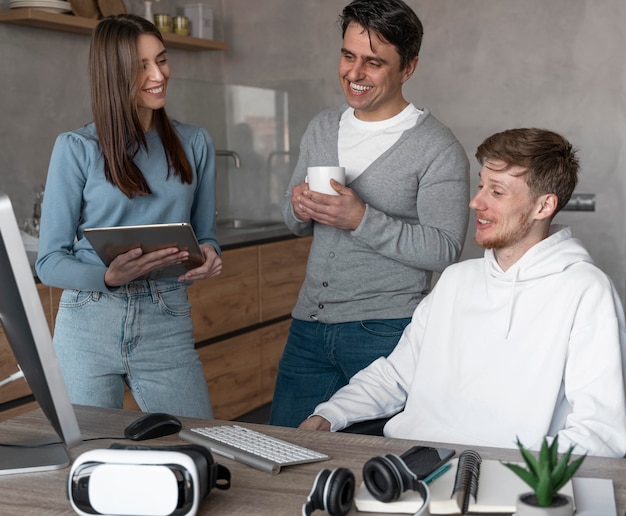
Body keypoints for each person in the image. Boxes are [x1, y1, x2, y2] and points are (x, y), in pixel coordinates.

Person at [299, 127, 626, 458]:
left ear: (544, 206)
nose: (475, 202)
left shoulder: (585, 291)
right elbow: (395, 375)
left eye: (496, 192)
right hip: (412, 462)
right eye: (481, 185)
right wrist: (329, 414)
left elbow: (601, 432)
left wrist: (519, 477)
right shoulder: (456, 280)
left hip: (511, 475)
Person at [270, 0, 470, 428]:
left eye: (373, 63)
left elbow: (445, 249)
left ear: (408, 68)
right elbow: (291, 219)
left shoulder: (437, 147)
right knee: (284, 450)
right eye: (348, 56)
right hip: (309, 324)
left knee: (375, 472)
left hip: (385, 333)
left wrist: (360, 218)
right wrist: (299, 206)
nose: (354, 74)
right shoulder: (322, 127)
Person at [35, 14, 221, 419]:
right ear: (113, 74)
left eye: (162, 60)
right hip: (88, 320)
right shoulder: (76, 148)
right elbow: (48, 261)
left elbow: (206, 235)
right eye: (142, 66)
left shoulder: (195, 143)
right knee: (89, 457)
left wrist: (209, 255)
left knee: (197, 446)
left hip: (166, 316)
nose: (158, 75)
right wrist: (107, 276)